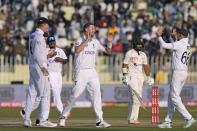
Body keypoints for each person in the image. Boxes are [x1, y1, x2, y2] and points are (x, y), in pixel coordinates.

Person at [58, 23, 113, 128]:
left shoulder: (96, 42)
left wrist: (109, 42)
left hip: (92, 71)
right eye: (91, 28)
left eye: (94, 28)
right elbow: (77, 50)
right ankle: (62, 117)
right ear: (86, 29)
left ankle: (99, 120)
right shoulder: (79, 39)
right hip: (81, 72)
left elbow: (108, 51)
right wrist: (87, 40)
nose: (94, 30)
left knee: (97, 95)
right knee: (74, 95)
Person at [157, 26, 196, 128]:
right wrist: (171, 36)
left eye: (177, 33)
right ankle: (167, 121)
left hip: (178, 73)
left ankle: (189, 118)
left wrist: (159, 36)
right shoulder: (186, 44)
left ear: (181, 35)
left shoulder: (179, 44)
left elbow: (165, 45)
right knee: (171, 97)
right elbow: (175, 44)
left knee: (174, 97)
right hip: (183, 72)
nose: (176, 35)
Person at [23, 17, 57, 127]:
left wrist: (47, 53)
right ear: (43, 25)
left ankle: (26, 119)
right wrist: (43, 66)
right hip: (39, 66)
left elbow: (39, 51)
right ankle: (43, 120)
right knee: (45, 93)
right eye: (47, 24)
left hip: (33, 65)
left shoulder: (33, 35)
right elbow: (38, 53)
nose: (48, 26)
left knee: (32, 93)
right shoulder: (38, 37)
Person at [122, 38, 154, 124]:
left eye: (141, 44)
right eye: (138, 44)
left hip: (140, 77)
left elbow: (145, 66)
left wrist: (149, 77)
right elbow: (124, 65)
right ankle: (133, 119)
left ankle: (130, 118)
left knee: (134, 99)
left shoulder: (143, 54)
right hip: (131, 76)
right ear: (134, 45)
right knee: (136, 98)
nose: (139, 46)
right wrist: (125, 76)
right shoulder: (129, 53)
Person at [47, 35, 67, 116]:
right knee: (56, 91)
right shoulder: (46, 50)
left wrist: (61, 60)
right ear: (48, 43)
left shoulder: (60, 50)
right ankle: (62, 111)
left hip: (58, 74)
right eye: (50, 42)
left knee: (57, 92)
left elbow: (66, 60)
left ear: (55, 42)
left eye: (53, 41)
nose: (52, 43)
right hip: (50, 74)